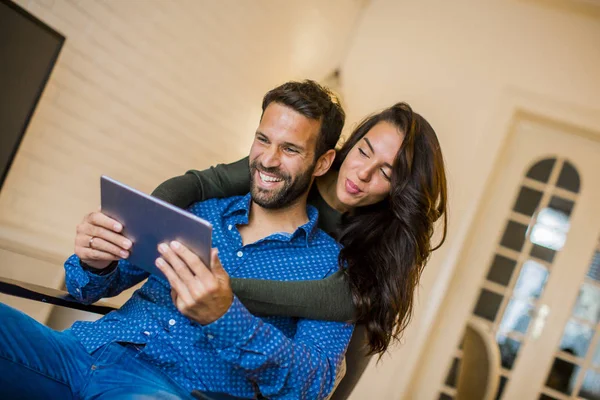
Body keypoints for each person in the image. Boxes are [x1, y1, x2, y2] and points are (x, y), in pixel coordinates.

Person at [0, 80, 353, 399]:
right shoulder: (199, 209)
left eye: (290, 149)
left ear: (322, 163)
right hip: (81, 353)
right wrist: (97, 261)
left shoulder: (331, 267)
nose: (268, 160)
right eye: (263, 140)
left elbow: (312, 384)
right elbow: (86, 288)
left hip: (163, 389)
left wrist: (224, 318)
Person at [152, 101, 449, 398]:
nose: (363, 174)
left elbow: (339, 301)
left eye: (386, 173)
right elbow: (201, 184)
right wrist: (137, 219)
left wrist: (219, 290)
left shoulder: (385, 239)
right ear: (351, 144)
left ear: (402, 189)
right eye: (363, 151)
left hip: (341, 339)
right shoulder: (299, 166)